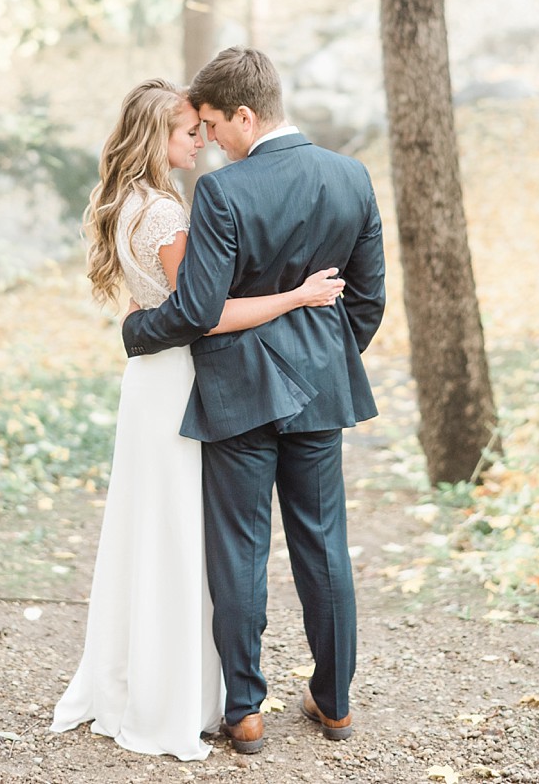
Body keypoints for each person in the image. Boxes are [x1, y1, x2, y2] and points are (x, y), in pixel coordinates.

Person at [51, 78, 345, 762]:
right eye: (189, 132)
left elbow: (157, 309)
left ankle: (163, 684)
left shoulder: (129, 201)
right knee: (183, 540)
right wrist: (297, 295)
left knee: (153, 536)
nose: (200, 141)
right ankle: (179, 696)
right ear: (159, 137)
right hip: (181, 382)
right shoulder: (164, 214)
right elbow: (204, 316)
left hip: (148, 383)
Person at [122, 48, 386, 754]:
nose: (210, 138)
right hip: (321, 390)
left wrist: (136, 329)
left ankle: (245, 710)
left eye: (213, 123)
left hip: (238, 392)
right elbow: (367, 299)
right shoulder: (351, 176)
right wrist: (322, 359)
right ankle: (334, 704)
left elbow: (199, 308)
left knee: (239, 550)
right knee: (325, 544)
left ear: (245, 114)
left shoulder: (224, 192)